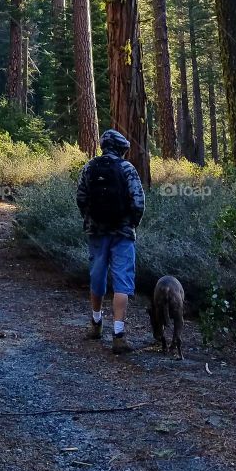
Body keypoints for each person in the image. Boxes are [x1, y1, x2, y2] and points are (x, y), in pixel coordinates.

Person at [76, 128, 146, 355]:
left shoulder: (90, 167)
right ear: (121, 148)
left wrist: (90, 220)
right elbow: (138, 202)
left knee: (97, 276)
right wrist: (131, 223)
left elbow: (81, 197)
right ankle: (118, 335)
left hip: (96, 232)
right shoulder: (127, 169)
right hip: (122, 233)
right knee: (122, 281)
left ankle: (96, 323)